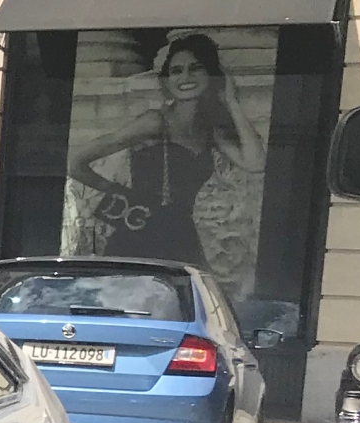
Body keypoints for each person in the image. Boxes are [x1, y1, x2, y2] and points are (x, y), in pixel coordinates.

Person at [66, 32, 264, 266]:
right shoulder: (155, 122)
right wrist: (115, 190)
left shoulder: (211, 131)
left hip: (182, 238)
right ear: (167, 80)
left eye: (196, 68)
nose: (185, 77)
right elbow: (75, 161)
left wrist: (231, 101)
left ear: (210, 75)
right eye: (176, 71)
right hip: (139, 236)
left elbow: (255, 163)